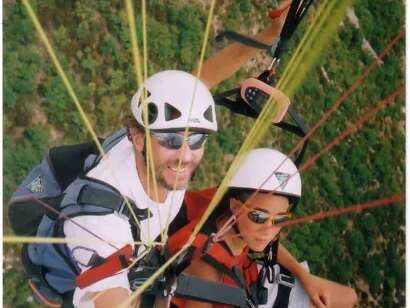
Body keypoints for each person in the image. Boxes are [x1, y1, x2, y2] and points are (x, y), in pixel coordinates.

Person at [22, 3, 294, 308]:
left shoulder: (143, 142)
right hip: (81, 277)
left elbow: (201, 80)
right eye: (170, 139)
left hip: (139, 241)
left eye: (197, 139)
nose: (185, 156)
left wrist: (271, 33)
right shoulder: (98, 223)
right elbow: (111, 297)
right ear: (137, 137)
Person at [168, 148, 358, 308]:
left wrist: (305, 277)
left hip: (249, 280)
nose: (268, 230)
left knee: (348, 297)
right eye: (259, 216)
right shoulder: (208, 268)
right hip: (238, 291)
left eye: (279, 220)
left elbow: (266, 241)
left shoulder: (230, 210)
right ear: (235, 206)